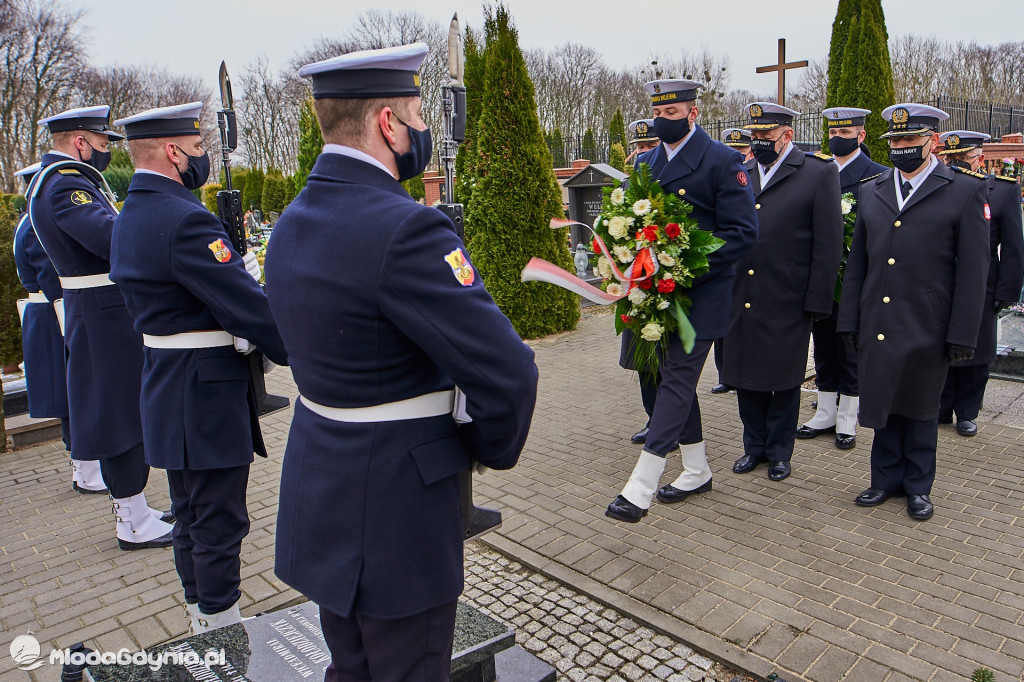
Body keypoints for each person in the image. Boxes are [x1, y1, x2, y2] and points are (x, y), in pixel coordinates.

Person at [264, 43, 538, 681]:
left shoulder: (291, 222)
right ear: (388, 123)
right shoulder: (406, 229)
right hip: (397, 508)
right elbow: (507, 371)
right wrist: (484, 447)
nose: (423, 132)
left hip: (321, 484)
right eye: (417, 115)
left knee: (351, 668)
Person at [110, 102, 289, 632]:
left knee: (189, 515)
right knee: (218, 519)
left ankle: (198, 613)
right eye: (197, 148)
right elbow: (247, 307)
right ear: (172, 151)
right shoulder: (184, 218)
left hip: (166, 384)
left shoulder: (130, 213)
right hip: (205, 391)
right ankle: (221, 625)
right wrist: (302, 349)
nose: (202, 157)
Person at [604, 79, 758, 522]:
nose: (661, 122)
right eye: (658, 114)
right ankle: (696, 469)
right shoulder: (647, 162)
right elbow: (631, 220)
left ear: (693, 113)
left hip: (701, 294)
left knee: (676, 378)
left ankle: (640, 486)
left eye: (671, 115)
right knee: (668, 380)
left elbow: (744, 233)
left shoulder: (723, 161)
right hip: (654, 293)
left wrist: (681, 264)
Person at [28, 106, 173, 550]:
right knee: (119, 417)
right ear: (80, 142)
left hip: (100, 310)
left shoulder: (60, 181)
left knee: (122, 412)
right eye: (103, 143)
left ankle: (136, 511)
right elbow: (111, 239)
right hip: (102, 313)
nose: (107, 151)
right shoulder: (65, 186)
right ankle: (131, 521)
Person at [838, 104, 990, 520]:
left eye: (909, 140)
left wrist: (963, 333)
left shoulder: (962, 189)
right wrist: (850, 319)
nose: (901, 148)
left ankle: (918, 486)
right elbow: (859, 266)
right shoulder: (873, 189)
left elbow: (974, 272)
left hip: (928, 322)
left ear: (933, 142)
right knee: (884, 398)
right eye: (895, 141)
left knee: (922, 405)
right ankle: (883, 479)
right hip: (879, 320)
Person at [722, 102, 843, 483]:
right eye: (753, 136)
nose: (757, 142)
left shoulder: (817, 173)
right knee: (745, 374)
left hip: (788, 296)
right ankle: (753, 447)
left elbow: (828, 243)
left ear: (787, 135)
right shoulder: (741, 173)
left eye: (765, 136)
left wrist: (818, 300)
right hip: (742, 292)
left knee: (784, 377)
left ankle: (779, 452)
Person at [797, 108, 887, 450]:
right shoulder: (816, 170)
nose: (838, 139)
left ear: (861, 136)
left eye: (846, 134)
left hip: (855, 278)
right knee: (822, 343)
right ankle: (825, 410)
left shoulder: (876, 176)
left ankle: (848, 415)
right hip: (820, 277)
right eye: (834, 132)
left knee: (850, 346)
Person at [14, 162, 106, 494]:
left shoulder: (26, 222)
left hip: (44, 311)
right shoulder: (36, 226)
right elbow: (51, 275)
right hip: (55, 310)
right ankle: (86, 468)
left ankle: (83, 467)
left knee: (71, 391)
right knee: (73, 393)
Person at [936, 131, 1024, 437]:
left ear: (980, 160)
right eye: (951, 159)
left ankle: (968, 412)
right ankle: (941, 407)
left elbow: (1013, 247)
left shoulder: (1001, 191)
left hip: (983, 287)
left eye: (964, 159)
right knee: (942, 347)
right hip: (943, 284)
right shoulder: (940, 187)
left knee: (977, 352)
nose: (956, 165)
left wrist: (1007, 291)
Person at [621, 118, 662, 444]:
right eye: (639, 147)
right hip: (636, 286)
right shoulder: (625, 186)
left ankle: (671, 423)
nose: (642, 153)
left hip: (668, 286)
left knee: (670, 364)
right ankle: (653, 419)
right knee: (643, 359)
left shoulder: (672, 183)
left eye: (649, 147)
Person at [708, 127, 755, 395]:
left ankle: (740, 372)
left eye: (741, 150)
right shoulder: (722, 171)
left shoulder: (745, 174)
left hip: (746, 260)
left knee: (742, 325)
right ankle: (724, 372)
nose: (737, 154)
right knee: (723, 326)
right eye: (732, 149)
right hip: (728, 265)